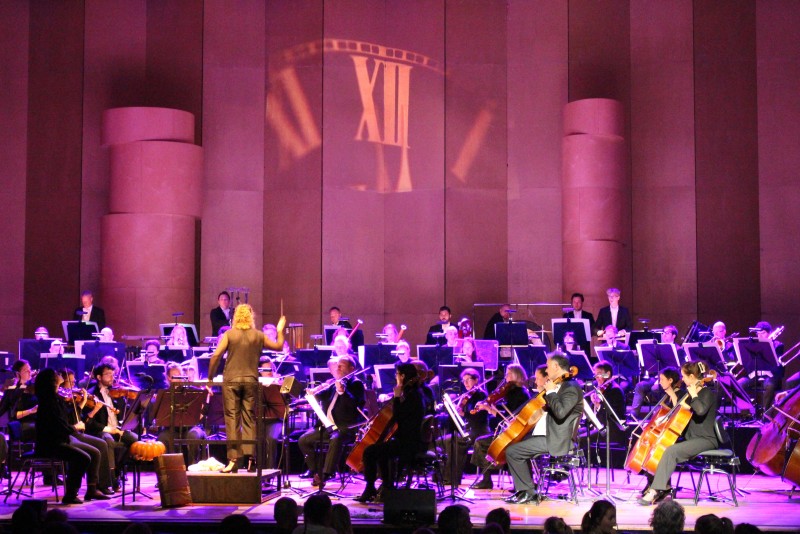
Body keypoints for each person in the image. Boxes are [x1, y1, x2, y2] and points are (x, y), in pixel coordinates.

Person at [208, 304, 286, 473]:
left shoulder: (229, 334)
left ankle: (233, 460)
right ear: (251, 317)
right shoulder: (258, 335)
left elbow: (216, 355)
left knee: (232, 419)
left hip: (231, 381)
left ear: (236, 316)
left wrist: (210, 378)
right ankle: (251, 459)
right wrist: (280, 329)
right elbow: (279, 346)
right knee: (249, 418)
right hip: (251, 381)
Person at [504, 353, 582, 504]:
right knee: (514, 445)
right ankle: (524, 491)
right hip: (548, 434)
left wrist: (551, 392)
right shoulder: (561, 385)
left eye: (547, 366)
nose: (546, 370)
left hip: (558, 439)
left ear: (556, 366)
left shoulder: (571, 388)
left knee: (513, 451)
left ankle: (528, 492)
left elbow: (560, 413)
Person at [639, 361, 718, 505]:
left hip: (705, 439)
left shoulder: (707, 393)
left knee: (671, 451)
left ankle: (655, 490)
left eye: (684, 376)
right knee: (662, 447)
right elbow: (680, 412)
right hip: (691, 438)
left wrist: (694, 395)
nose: (682, 379)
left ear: (692, 377)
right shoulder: (690, 393)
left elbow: (700, 411)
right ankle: (662, 486)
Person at [34, 368, 110, 504]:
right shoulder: (49, 402)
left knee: (95, 452)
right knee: (83, 457)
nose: (59, 375)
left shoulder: (57, 398)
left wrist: (80, 405)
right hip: (51, 444)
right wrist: (76, 427)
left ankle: (92, 489)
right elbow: (61, 427)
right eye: (56, 374)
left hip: (63, 439)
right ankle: (70, 494)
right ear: (52, 381)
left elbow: (67, 419)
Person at [355, 362, 425, 503]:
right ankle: (387, 486)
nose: (395, 376)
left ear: (403, 376)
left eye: (397, 374)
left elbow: (398, 416)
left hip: (408, 444)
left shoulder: (413, 395)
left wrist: (397, 397)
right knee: (381, 450)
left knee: (369, 451)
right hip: (407, 440)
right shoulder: (413, 393)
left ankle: (371, 488)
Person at [298, 355, 365, 487]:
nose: (337, 368)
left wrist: (342, 392)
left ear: (352, 368)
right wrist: (312, 393)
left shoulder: (356, 384)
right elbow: (321, 395)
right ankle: (315, 471)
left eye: (341, 366)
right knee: (303, 440)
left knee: (336, 438)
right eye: (337, 366)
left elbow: (353, 407)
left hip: (345, 428)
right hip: (327, 426)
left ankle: (326, 474)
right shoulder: (334, 382)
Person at [471, 363, 532, 489]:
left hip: (513, 436)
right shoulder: (513, 392)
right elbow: (505, 409)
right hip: (507, 433)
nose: (505, 377)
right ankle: (487, 478)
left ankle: (487, 479)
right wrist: (490, 406)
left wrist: (489, 409)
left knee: (481, 443)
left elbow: (508, 416)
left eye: (508, 374)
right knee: (480, 442)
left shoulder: (519, 393)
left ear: (516, 375)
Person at [59, 368, 117, 494]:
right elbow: (68, 422)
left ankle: (98, 486)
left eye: (74, 382)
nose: (74, 386)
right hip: (68, 435)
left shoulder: (71, 399)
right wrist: (76, 426)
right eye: (70, 382)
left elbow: (75, 418)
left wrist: (82, 403)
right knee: (97, 447)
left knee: (101, 444)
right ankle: (86, 489)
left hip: (74, 433)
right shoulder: (59, 400)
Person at [84, 363, 139, 477]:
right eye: (108, 374)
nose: (112, 377)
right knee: (108, 440)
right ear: (99, 377)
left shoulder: (116, 393)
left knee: (137, 440)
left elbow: (123, 413)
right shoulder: (91, 394)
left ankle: (119, 469)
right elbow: (90, 423)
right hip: (102, 430)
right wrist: (109, 429)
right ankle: (110, 476)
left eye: (113, 374)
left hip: (118, 429)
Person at [442, 367, 489, 485]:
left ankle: (452, 478)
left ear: (476, 380)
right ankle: (447, 477)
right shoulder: (467, 395)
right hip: (468, 430)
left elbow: (479, 418)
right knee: (446, 440)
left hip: (478, 431)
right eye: (464, 380)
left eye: (468, 379)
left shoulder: (481, 395)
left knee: (453, 442)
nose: (465, 383)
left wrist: (464, 414)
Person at [156, 362, 207, 465]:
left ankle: (192, 467)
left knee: (192, 436)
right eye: (175, 376)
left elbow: (203, 411)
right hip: (172, 429)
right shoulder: (164, 394)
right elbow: (159, 416)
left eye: (180, 375)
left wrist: (206, 396)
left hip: (192, 427)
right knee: (163, 438)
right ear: (169, 378)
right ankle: (172, 468)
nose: (178, 379)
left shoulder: (192, 391)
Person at [631, 325, 681, 418]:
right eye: (663, 333)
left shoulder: (678, 349)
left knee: (655, 388)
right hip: (656, 378)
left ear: (674, 335)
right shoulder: (657, 348)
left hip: (669, 380)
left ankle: (662, 412)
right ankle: (633, 415)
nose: (664, 335)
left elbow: (678, 369)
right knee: (640, 385)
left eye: (667, 333)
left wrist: (662, 379)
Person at [738, 321, 784, 410]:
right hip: (755, 375)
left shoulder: (778, 345)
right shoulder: (753, 345)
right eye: (758, 334)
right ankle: (746, 412)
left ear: (770, 332)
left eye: (763, 333)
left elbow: (776, 366)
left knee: (769, 386)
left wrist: (768, 347)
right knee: (738, 384)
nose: (760, 336)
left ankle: (765, 413)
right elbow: (748, 364)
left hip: (770, 376)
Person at [580, 361, 626, 446]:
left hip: (609, 430)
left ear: (608, 374)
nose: (597, 377)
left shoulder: (615, 390)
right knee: (572, 433)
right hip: (596, 427)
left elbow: (614, 416)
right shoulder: (599, 389)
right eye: (595, 374)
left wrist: (598, 405)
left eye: (599, 374)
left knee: (580, 439)